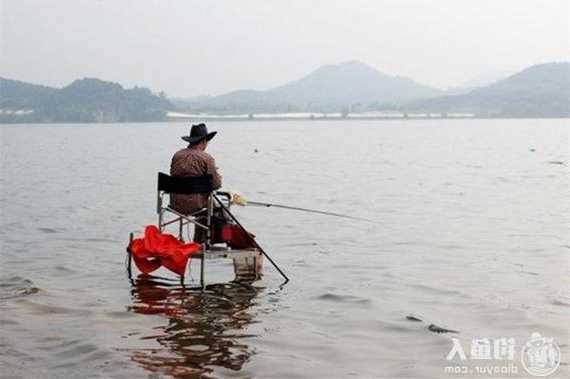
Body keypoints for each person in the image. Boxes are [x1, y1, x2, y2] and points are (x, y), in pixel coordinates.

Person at [170, 123, 222, 241]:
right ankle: (204, 240)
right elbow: (216, 184)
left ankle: (196, 240)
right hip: (197, 205)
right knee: (215, 206)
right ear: (203, 141)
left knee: (204, 200)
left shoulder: (177, 155)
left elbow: (173, 175)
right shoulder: (207, 158)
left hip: (175, 204)